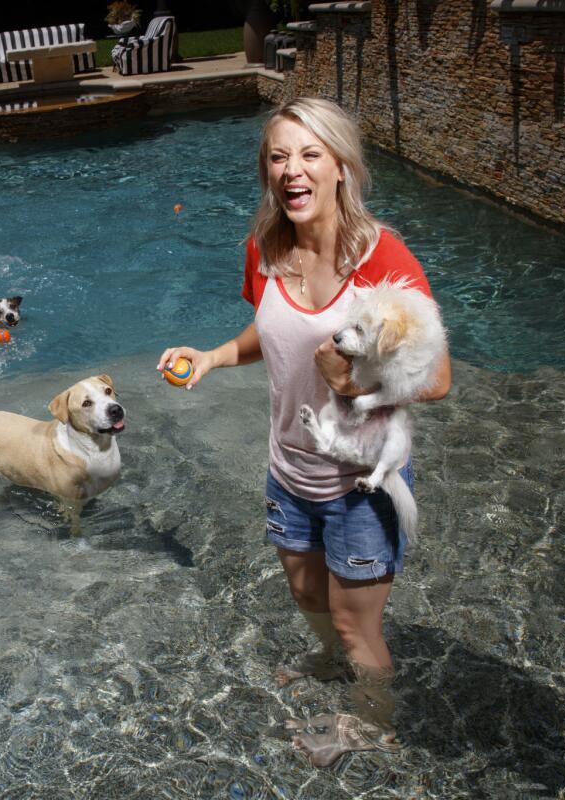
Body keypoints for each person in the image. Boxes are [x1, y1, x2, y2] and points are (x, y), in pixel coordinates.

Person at [157, 98, 451, 767]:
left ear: (342, 166)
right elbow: (270, 329)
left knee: (356, 623)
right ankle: (329, 660)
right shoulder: (265, 247)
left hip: (358, 486)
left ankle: (373, 723)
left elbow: (437, 378)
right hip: (288, 472)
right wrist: (214, 356)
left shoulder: (382, 259)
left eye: (310, 154)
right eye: (279, 156)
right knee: (304, 593)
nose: (292, 170)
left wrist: (355, 387)